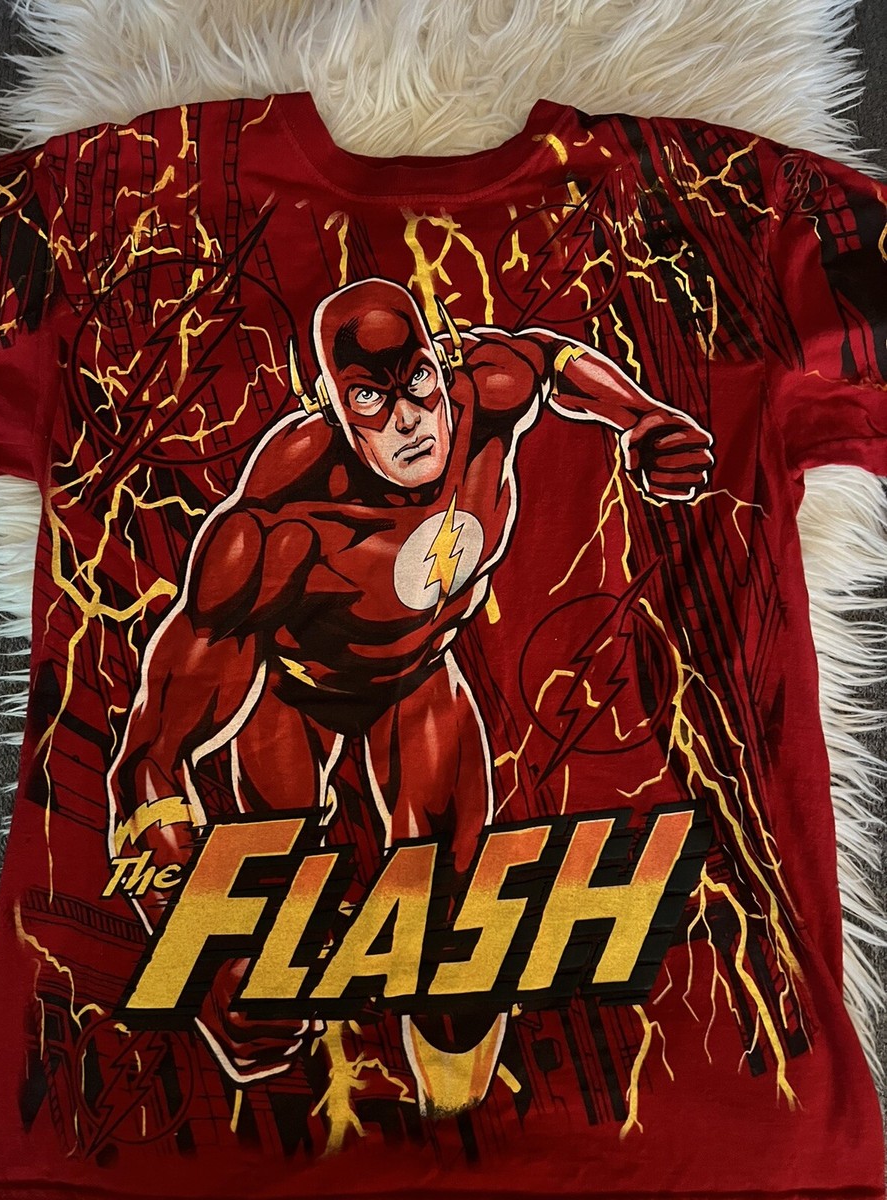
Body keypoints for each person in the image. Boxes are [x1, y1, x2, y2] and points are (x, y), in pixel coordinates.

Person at [106, 275, 714, 1095]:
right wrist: (196, 957)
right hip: (296, 695)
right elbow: (146, 764)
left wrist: (640, 417)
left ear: (440, 361)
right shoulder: (277, 529)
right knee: (275, 912)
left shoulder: (486, 391)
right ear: (331, 407)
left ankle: (455, 1112)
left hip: (419, 676)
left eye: (417, 381)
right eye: (369, 397)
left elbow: (553, 358)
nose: (408, 420)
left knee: (454, 928)